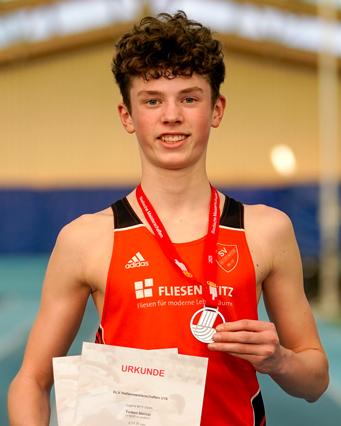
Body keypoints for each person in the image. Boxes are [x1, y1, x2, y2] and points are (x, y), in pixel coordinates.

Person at [8, 10, 329, 426]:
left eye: (190, 98)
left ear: (216, 109)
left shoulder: (266, 231)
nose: (171, 116)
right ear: (128, 115)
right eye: (152, 100)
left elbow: (316, 379)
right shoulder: (86, 240)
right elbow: (31, 381)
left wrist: (280, 359)